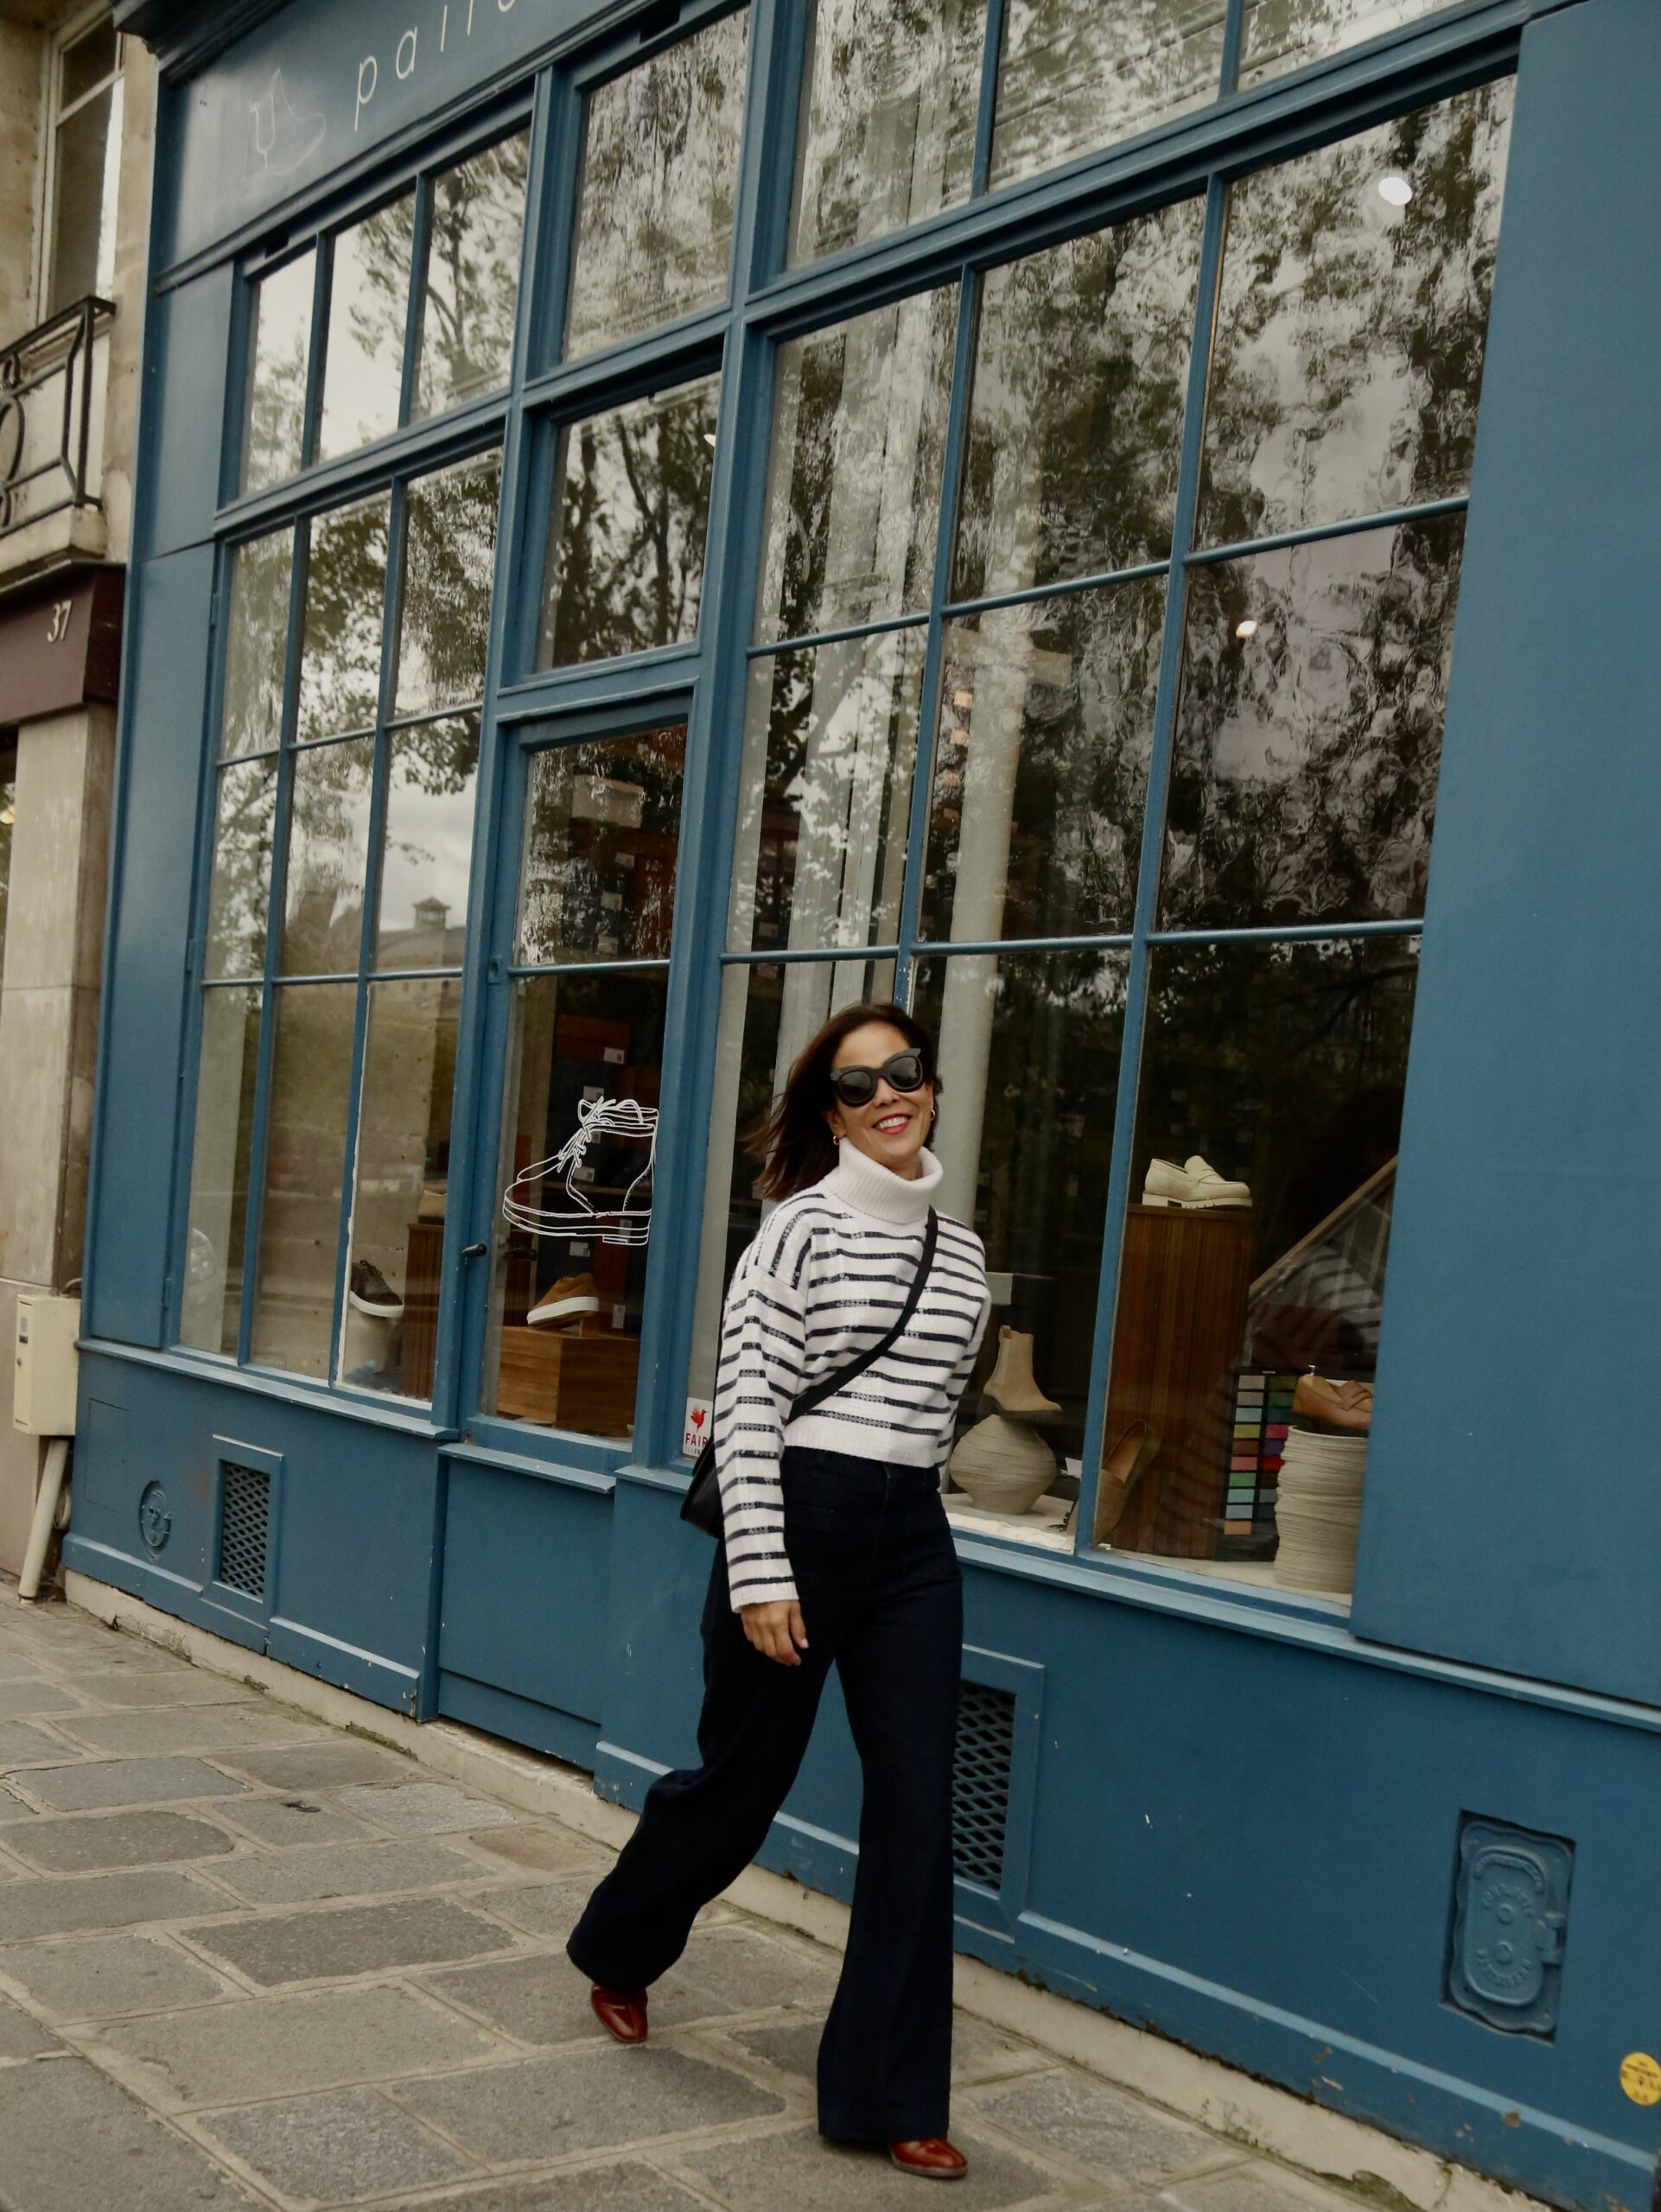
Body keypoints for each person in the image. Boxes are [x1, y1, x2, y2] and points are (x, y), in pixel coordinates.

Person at [566, 1001, 992, 2181]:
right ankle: (618, 1945)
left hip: (913, 1539)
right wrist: (760, 1571)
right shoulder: (791, 1235)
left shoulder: (957, 1254)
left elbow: (941, 1407)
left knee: (915, 1813)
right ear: (830, 1111)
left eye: (903, 1071)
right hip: (796, 1522)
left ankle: (889, 2097)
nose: (887, 1095)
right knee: (739, 1787)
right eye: (858, 1085)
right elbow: (748, 1409)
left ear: (930, 1085)